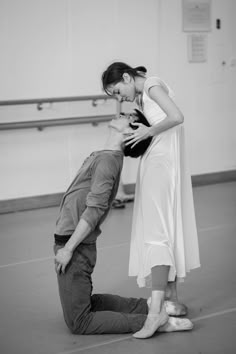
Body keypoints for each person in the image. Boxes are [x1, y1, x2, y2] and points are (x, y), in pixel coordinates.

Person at [54, 113, 193, 335]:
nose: (122, 112)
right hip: (72, 239)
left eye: (128, 116)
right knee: (86, 304)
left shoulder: (108, 161)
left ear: (129, 132)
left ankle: (159, 321)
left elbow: (95, 209)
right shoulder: (104, 155)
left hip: (74, 243)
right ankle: (150, 307)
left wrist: (68, 248)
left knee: (78, 322)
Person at [102, 62, 201, 338]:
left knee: (157, 234)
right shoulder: (146, 93)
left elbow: (177, 116)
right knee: (163, 230)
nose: (120, 97)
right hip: (159, 164)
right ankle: (171, 301)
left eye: (117, 90)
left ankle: (156, 313)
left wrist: (147, 131)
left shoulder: (152, 86)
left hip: (161, 167)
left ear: (126, 77)